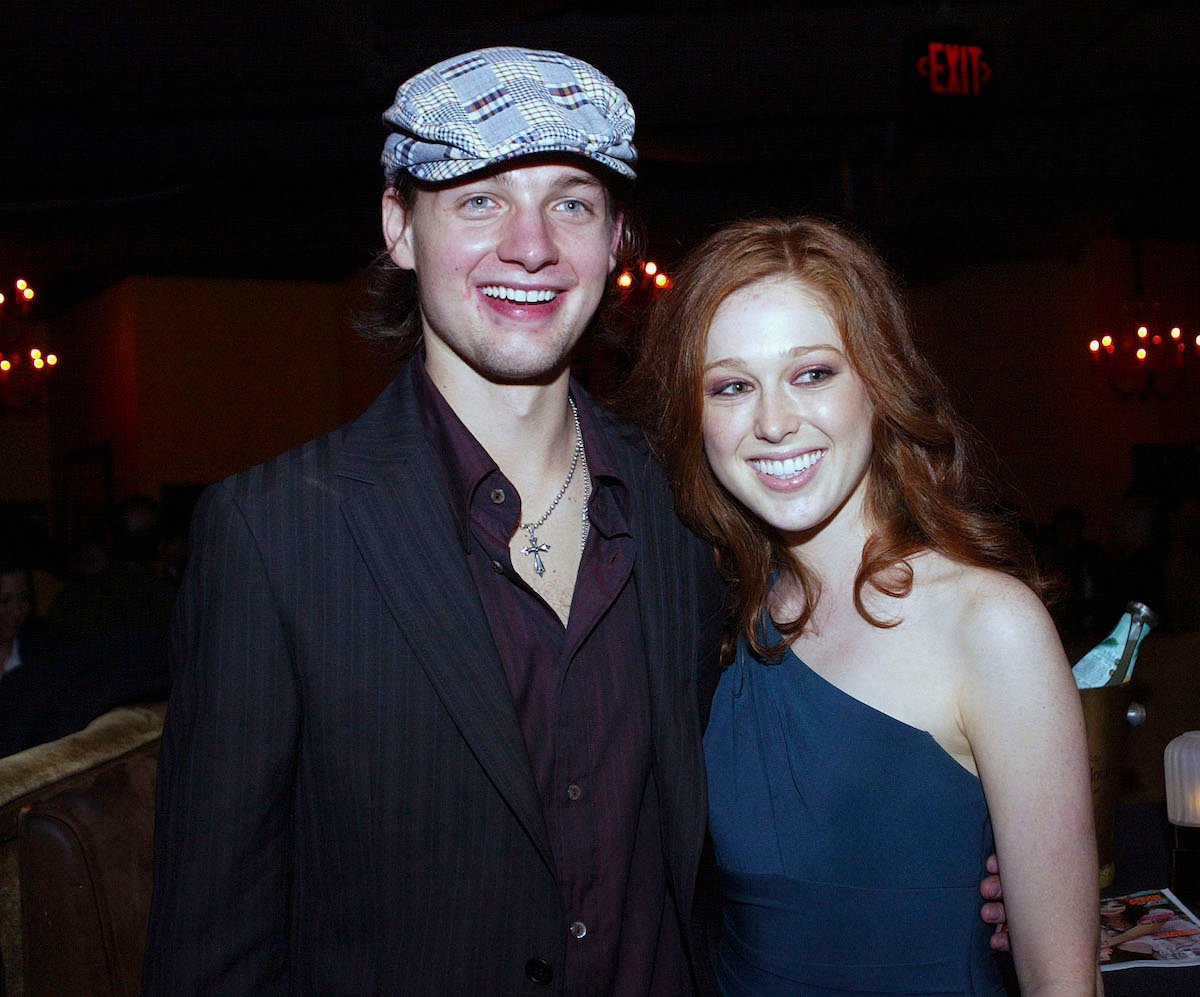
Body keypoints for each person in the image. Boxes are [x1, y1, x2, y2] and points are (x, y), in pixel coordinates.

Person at [144, 50, 1008, 993]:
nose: (531, 245)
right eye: (479, 199)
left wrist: (978, 833)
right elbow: (212, 952)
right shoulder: (273, 537)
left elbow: (819, 722)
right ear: (399, 226)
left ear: (616, 239)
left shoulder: (695, 503)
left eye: (572, 203)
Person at [630, 216, 1096, 993]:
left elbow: (1064, 981)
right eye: (732, 385)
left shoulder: (991, 626)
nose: (774, 422)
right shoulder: (711, 615)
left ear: (878, 383)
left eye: (812, 373)